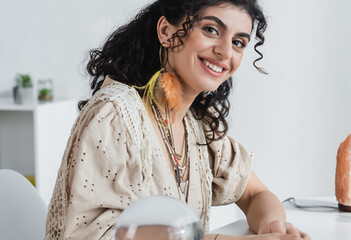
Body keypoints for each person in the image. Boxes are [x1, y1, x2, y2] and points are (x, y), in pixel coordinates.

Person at [44, 0, 310, 239]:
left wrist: (273, 226)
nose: (225, 52)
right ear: (166, 32)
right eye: (211, 30)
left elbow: (255, 194)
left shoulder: (199, 123)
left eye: (238, 42)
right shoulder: (115, 115)